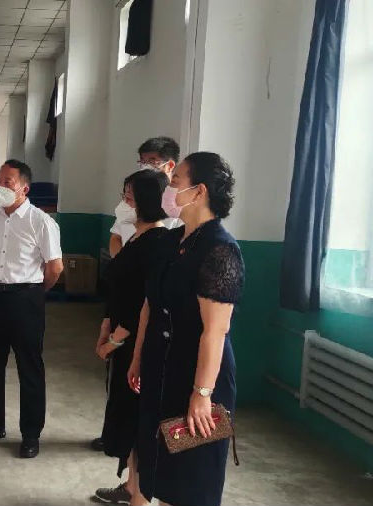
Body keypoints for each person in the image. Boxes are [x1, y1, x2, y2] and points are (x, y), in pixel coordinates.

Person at [127, 152, 244, 506]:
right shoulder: (170, 241)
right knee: (157, 468)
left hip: (197, 375)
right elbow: (149, 305)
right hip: (160, 368)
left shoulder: (220, 250)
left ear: (199, 191)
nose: (169, 188)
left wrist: (202, 394)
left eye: (176, 181)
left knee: (190, 478)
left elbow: (215, 332)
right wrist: (138, 358)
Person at [0, 159, 64, 459]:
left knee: (29, 366)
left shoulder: (41, 221)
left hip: (26, 299)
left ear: (24, 188)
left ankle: (31, 434)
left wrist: (34, 293)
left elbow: (55, 268)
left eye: (7, 182)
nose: (1, 187)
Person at [92, 170, 169, 504]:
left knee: (139, 420)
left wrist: (116, 339)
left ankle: (139, 493)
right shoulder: (136, 237)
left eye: (129, 196)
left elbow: (143, 303)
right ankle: (131, 486)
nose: (124, 202)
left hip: (137, 343)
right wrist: (105, 328)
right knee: (127, 419)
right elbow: (118, 289)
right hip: (120, 340)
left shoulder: (158, 242)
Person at [109, 136, 180, 258]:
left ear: (170, 165)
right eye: (142, 162)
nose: (145, 166)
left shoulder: (178, 203)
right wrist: (121, 263)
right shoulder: (133, 195)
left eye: (152, 162)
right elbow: (116, 236)